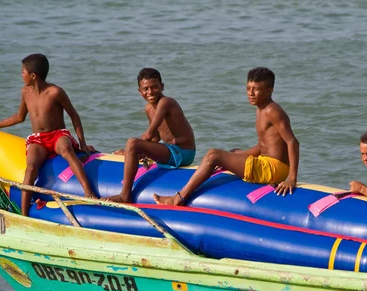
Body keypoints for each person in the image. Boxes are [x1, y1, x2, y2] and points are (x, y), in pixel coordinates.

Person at [154, 67, 299, 206]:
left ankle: (179, 197)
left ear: (269, 91)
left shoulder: (272, 110)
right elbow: (264, 147)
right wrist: (238, 154)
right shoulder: (261, 109)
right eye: (248, 88)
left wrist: (291, 179)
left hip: (273, 168)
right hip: (267, 162)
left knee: (213, 155)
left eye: (256, 89)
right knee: (234, 151)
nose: (251, 93)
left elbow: (292, 142)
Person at [0, 53, 97, 216]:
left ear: (33, 76)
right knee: (31, 166)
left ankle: (88, 192)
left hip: (57, 134)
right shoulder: (25, 92)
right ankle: (24, 213)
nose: (21, 75)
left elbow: (74, 115)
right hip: (38, 139)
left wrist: (82, 143)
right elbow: (19, 117)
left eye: (23, 72)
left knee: (66, 150)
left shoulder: (55, 92)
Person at [105, 67, 196, 203]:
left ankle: (125, 195)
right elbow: (155, 138)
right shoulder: (148, 108)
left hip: (183, 153)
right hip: (171, 150)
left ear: (162, 87)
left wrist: (131, 150)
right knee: (134, 146)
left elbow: (148, 135)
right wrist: (137, 152)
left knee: (132, 143)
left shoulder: (166, 103)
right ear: (139, 91)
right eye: (145, 89)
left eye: (154, 87)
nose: (150, 92)